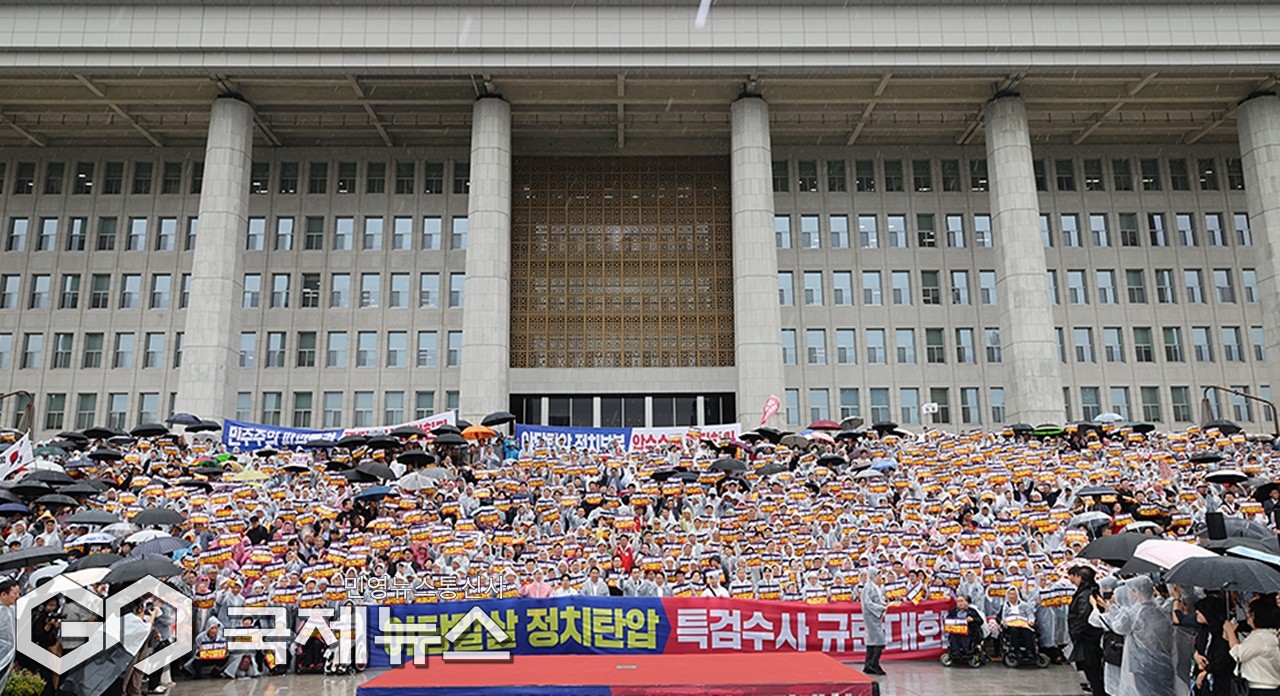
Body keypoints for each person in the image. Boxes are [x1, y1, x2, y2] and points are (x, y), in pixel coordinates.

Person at [1102, 576, 1175, 696]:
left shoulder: (1134, 612)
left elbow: (1119, 628)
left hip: (1142, 663)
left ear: (1137, 592)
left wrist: (1113, 607)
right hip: (1164, 660)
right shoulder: (1160, 610)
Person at [1225, 595, 1280, 696]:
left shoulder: (1260, 637)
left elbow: (1238, 654)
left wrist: (1230, 631)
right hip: (1266, 688)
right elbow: (1245, 651)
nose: (1247, 615)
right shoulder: (1267, 634)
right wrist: (1231, 636)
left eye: (1250, 613)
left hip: (1260, 688)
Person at [1069, 565, 1107, 696]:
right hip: (1091, 635)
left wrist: (1075, 632)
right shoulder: (1090, 591)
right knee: (1092, 668)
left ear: (1080, 578)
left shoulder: (1085, 594)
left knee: (1092, 668)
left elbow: (1083, 616)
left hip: (1087, 637)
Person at [1192, 596, 1236, 696]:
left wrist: (1206, 671)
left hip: (1220, 683)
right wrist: (1196, 655)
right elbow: (1198, 647)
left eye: (1200, 611)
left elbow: (1224, 659)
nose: (1197, 613)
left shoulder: (1224, 632)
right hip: (1203, 682)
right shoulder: (1203, 629)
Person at [861, 568, 887, 676]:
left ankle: (868, 665)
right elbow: (867, 603)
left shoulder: (877, 587)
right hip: (871, 616)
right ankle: (874, 663)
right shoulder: (868, 587)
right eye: (878, 576)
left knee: (872, 640)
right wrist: (881, 608)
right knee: (879, 640)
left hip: (875, 617)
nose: (880, 578)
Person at [944, 594, 985, 660]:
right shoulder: (954, 611)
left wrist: (972, 619)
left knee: (965, 636)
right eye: (958, 602)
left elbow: (980, 621)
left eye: (962, 601)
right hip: (956, 631)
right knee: (953, 636)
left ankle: (968, 652)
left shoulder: (972, 611)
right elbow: (947, 619)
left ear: (967, 602)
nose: (960, 603)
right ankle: (955, 653)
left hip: (969, 632)